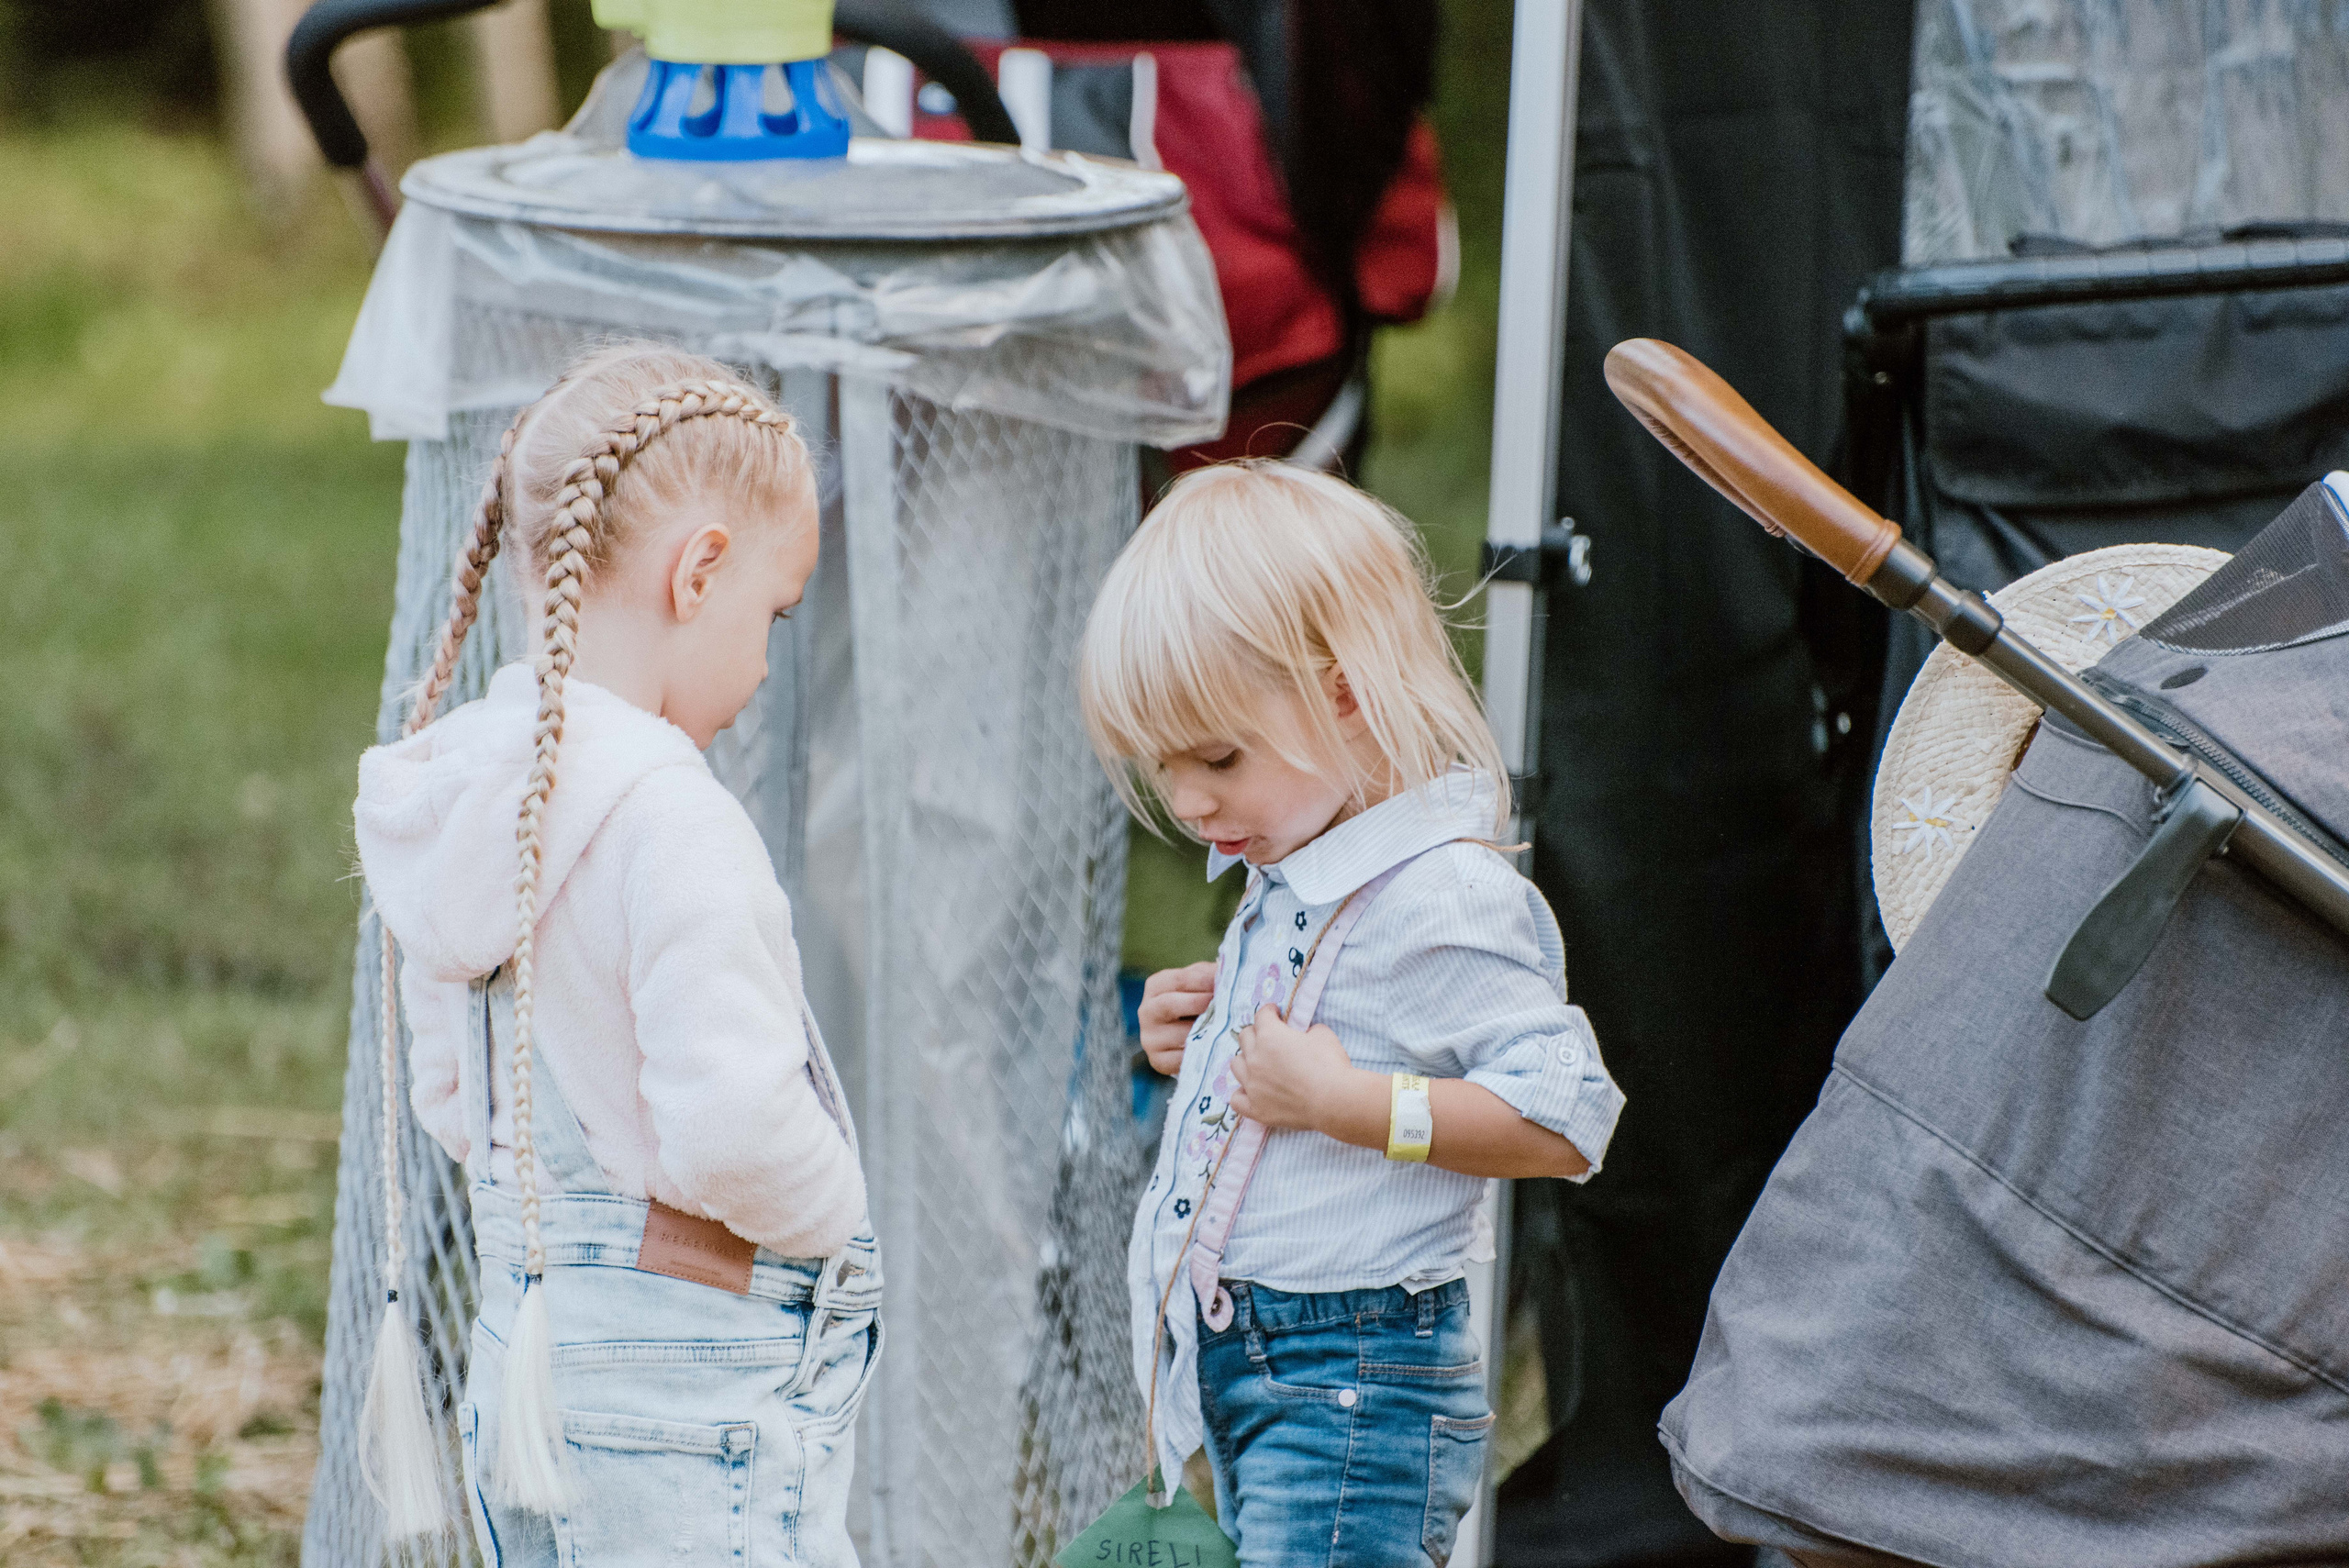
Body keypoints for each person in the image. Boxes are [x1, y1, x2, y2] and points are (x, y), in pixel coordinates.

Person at [353, 344, 879, 1565]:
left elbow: (451, 1097)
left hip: (524, 1374)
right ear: (700, 571)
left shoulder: (473, 791)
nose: (764, 660)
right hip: (691, 1401)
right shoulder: (674, 820)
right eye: (775, 612)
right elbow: (736, 1131)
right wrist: (837, 1211)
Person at [1077, 462, 1626, 1566]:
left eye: (1217, 756)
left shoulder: (1442, 893)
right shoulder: (1296, 871)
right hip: (1265, 1367)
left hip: (1353, 1382)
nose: (1188, 801)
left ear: (1342, 692)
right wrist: (1205, 1033)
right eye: (1165, 765)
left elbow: (1568, 1117)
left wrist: (1345, 1101)